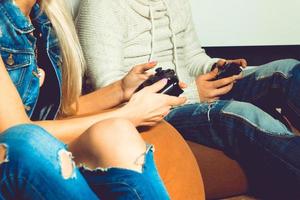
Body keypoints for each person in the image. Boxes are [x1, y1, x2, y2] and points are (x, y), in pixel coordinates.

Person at [76, 0, 300, 199]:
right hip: (157, 110)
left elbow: (192, 57)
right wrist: (194, 93)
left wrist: (214, 67)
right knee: (241, 115)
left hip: (194, 92)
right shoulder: (100, 6)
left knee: (286, 71)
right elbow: (108, 87)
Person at [0, 0, 189, 199]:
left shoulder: (43, 18)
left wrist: (120, 90)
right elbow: (15, 132)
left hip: (37, 149)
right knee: (29, 142)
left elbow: (57, 110)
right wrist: (129, 114)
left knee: (115, 132)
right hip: (17, 153)